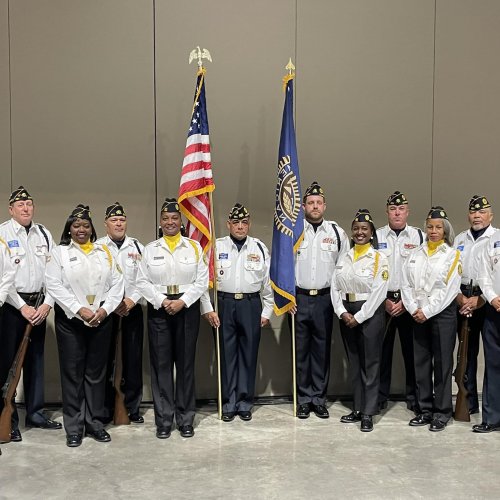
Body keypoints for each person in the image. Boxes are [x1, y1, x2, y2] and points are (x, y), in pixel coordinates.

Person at [45, 205, 124, 447]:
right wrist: (79, 310)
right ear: (69, 228)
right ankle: (74, 427)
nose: (81, 230)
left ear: (92, 229)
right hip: (71, 321)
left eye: (86, 226)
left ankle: (95, 423)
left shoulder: (104, 252)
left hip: (100, 320)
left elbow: (117, 284)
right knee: (73, 374)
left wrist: (104, 309)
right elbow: (53, 285)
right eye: (76, 226)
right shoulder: (59, 253)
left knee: (96, 374)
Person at [136, 198, 208, 439]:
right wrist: (161, 301)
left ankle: (186, 418)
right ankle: (164, 420)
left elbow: (201, 282)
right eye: (165, 218)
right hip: (160, 309)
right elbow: (142, 282)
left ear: (181, 221)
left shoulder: (194, 248)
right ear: (160, 221)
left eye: (174, 218)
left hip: (186, 309)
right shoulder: (150, 249)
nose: (170, 222)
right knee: (161, 367)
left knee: (186, 366)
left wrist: (183, 301)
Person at [201, 203, 273, 422]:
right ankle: (228, 402)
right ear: (228, 224)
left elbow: (267, 282)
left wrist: (267, 310)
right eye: (236, 223)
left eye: (244, 223)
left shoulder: (259, 248)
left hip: (251, 305)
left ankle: (244, 402)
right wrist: (208, 308)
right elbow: (204, 281)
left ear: (249, 224)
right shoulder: (216, 247)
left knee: (249, 355)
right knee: (226, 355)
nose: (240, 227)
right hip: (224, 304)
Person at [0, 186, 61, 442]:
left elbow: (55, 272)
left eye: (29, 204)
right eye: (20, 205)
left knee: (36, 361)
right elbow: (3, 278)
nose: (26, 209)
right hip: (13, 308)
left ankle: (35, 413)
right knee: (8, 366)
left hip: (40, 306)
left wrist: (47, 304)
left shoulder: (44, 233)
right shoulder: (2, 234)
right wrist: (21, 307)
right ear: (11, 209)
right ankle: (9, 418)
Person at [292, 181, 349, 419]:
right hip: (299, 299)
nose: (314, 206)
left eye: (318, 203)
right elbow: (282, 266)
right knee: (301, 351)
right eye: (310, 203)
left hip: (325, 300)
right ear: (304, 206)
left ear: (324, 206)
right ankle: (304, 399)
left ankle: (319, 398)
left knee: (321, 351)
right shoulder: (293, 231)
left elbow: (345, 267)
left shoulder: (336, 233)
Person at [401, 207, 461, 432]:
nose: (434, 231)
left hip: (441, 314)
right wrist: (414, 308)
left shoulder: (452, 255)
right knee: (421, 363)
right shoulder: (415, 254)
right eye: (430, 227)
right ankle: (425, 409)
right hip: (417, 314)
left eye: (438, 227)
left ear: (445, 230)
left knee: (443, 364)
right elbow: (406, 283)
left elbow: (448, 289)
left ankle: (442, 412)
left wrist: (427, 310)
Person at [331, 209, 389, 432]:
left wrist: (360, 316)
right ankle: (357, 406)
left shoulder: (379, 258)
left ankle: (368, 412)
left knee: (371, 363)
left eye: (364, 229)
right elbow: (335, 287)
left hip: (370, 313)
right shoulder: (344, 256)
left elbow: (379, 291)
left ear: (372, 232)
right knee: (354, 363)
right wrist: (341, 312)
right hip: (346, 312)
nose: (359, 232)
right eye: (356, 229)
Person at [97, 202, 145, 424]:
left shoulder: (137, 247)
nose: (119, 223)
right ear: (106, 224)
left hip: (132, 310)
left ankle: (132, 407)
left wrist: (131, 300)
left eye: (122, 220)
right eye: (114, 220)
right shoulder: (98, 247)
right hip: (107, 311)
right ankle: (106, 407)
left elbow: (145, 279)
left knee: (132, 359)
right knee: (106, 360)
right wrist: (112, 302)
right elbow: (95, 280)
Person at [376, 191, 423, 412]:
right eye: (393, 209)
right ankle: (378, 398)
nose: (397, 212)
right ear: (387, 212)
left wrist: (407, 301)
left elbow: (424, 273)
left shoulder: (419, 237)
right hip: (382, 304)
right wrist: (384, 300)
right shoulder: (376, 236)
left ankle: (415, 398)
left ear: (407, 212)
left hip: (409, 304)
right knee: (380, 355)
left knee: (413, 354)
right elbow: (370, 273)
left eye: (401, 209)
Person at [454, 195, 495, 415]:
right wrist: (460, 298)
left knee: (491, 356)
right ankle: (468, 403)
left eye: (481, 212)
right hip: (462, 299)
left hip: (487, 302)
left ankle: (492, 407)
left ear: (491, 215)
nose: (477, 216)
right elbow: (450, 273)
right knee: (466, 353)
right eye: (473, 212)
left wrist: (480, 299)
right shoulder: (460, 239)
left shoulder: (497, 238)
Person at [475, 226, 500, 432]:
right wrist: (492, 298)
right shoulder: (494, 239)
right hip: (495, 310)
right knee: (493, 365)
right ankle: (491, 418)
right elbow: (483, 274)